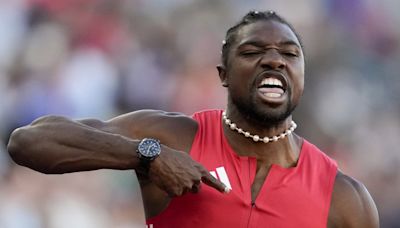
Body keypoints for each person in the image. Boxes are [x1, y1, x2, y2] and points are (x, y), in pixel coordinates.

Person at [7, 10, 379, 228]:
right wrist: (147, 156)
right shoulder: (174, 136)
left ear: (301, 75)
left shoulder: (345, 199)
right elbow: (28, 142)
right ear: (223, 75)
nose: (274, 60)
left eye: (289, 53)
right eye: (253, 51)